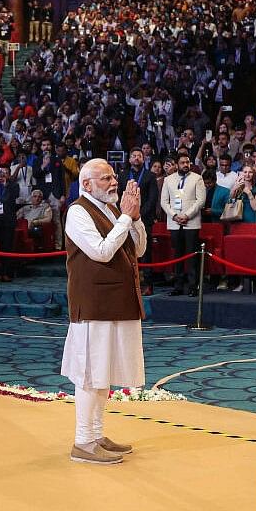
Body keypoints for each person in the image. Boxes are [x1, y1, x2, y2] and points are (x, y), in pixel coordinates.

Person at [61, 158, 146, 465]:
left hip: (115, 302)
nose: (114, 182)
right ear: (86, 184)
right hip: (93, 304)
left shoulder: (111, 210)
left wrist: (134, 219)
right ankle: (83, 442)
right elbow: (100, 251)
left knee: (103, 372)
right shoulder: (77, 211)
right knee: (88, 375)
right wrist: (125, 217)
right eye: (106, 178)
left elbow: (138, 249)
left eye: (114, 177)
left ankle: (96, 435)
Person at [160, 154, 205, 296]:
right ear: (176, 164)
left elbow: (201, 201)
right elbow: (164, 202)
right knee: (177, 255)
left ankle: (193, 286)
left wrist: (187, 215)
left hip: (191, 222)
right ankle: (178, 286)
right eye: (182, 162)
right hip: (174, 223)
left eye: (188, 162)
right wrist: (174, 215)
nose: (186, 164)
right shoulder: (168, 180)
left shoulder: (197, 178)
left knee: (192, 256)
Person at [119, 147, 159, 295]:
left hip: (144, 219)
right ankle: (129, 282)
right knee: (127, 251)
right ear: (129, 159)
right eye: (134, 155)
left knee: (145, 252)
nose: (136, 158)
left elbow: (152, 198)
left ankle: (148, 284)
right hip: (125, 220)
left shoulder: (149, 176)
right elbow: (118, 197)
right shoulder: (123, 176)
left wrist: (138, 215)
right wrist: (127, 215)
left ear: (143, 159)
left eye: (139, 156)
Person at [0, 167, 20, 282]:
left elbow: (13, 196)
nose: (2, 175)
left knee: (7, 247)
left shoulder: (13, 185)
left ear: (9, 174)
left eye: (5, 173)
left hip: (8, 221)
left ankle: (6, 272)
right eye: (0, 173)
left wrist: (6, 184)